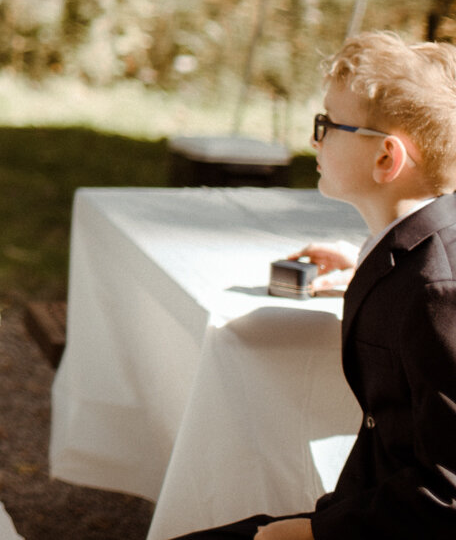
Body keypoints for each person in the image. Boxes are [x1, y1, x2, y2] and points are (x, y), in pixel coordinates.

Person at [171, 32, 456, 540]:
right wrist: (368, 266)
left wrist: (309, 532)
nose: (313, 140)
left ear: (387, 159)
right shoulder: (421, 255)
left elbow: (449, 490)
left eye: (328, 124)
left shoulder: (436, 292)